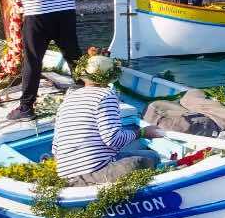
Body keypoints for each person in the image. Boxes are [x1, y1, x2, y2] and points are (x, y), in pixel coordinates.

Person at [53, 53, 162, 186]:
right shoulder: (105, 95)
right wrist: (143, 133)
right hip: (92, 174)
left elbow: (55, 148)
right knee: (149, 159)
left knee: (148, 157)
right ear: (109, 78)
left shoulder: (69, 98)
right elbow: (113, 139)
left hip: (65, 174)